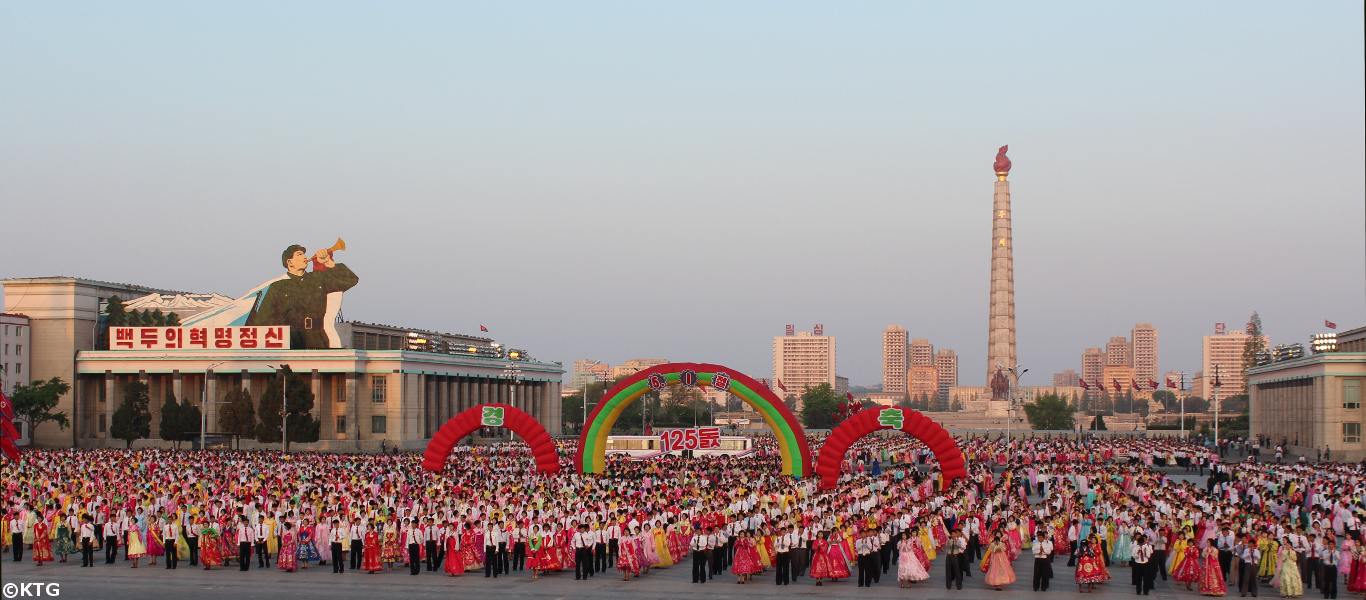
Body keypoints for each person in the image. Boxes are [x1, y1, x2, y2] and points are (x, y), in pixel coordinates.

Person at [247, 244, 359, 349]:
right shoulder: (278, 287)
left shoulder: (318, 278)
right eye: (299, 255)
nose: (305, 257)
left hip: (317, 335)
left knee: (322, 368)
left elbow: (351, 280)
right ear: (290, 262)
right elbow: (263, 320)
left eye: (304, 254)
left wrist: (328, 262)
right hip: (290, 337)